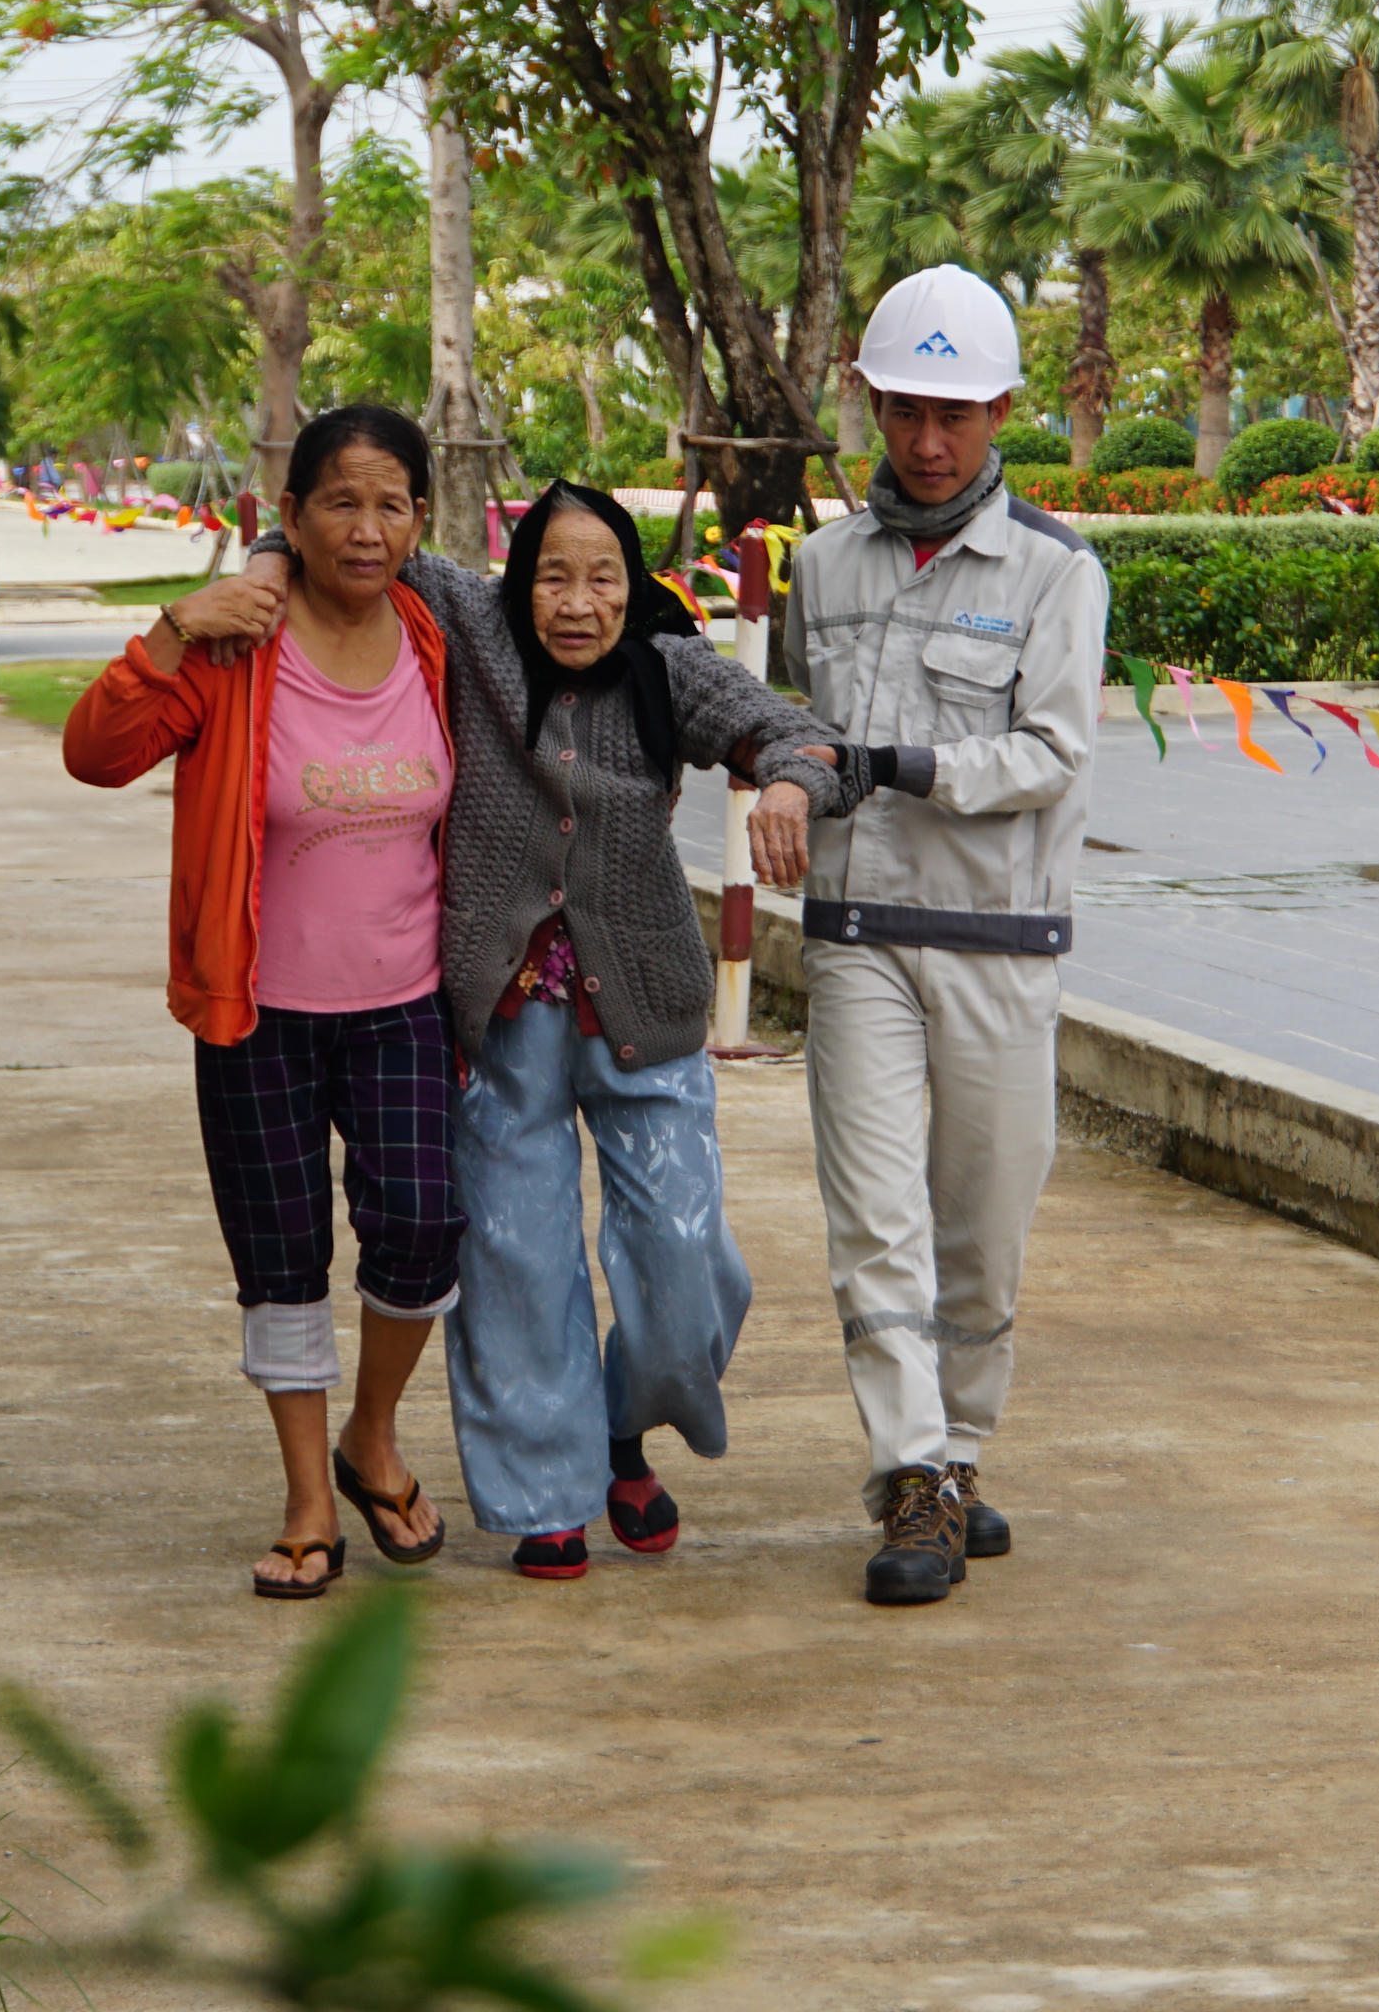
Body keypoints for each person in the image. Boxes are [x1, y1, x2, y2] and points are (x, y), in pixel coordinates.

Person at [240, 484, 866, 1578]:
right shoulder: (474, 627)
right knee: (517, 1263)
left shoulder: (670, 667)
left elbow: (805, 738)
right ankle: (549, 1493)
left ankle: (618, 1423)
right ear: (517, 584)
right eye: (553, 577)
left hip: (645, 1008)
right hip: (499, 1016)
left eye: (603, 577)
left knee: (684, 1261)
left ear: (634, 585)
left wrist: (786, 787)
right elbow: (348, 539)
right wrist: (259, 563)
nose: (578, 603)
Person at [60, 403, 462, 1600]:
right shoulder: (239, 645)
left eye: (391, 504)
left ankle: (370, 1439)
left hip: (405, 1004)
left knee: (423, 1227)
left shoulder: (435, 635)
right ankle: (306, 1501)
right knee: (281, 1259)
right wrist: (175, 627)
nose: (367, 529)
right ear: (291, 516)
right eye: (340, 502)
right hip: (257, 1012)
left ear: (421, 520)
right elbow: (95, 753)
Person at [776, 263, 1106, 1607]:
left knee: (982, 1226)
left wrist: (905, 765)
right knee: (875, 1220)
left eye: (953, 415)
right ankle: (910, 1475)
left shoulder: (1055, 571)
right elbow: (789, 726)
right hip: (857, 937)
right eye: (905, 410)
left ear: (1002, 413)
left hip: (999, 942)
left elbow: (1054, 753)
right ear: (867, 400)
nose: (926, 442)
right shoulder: (819, 568)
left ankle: (961, 1455)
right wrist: (789, 776)